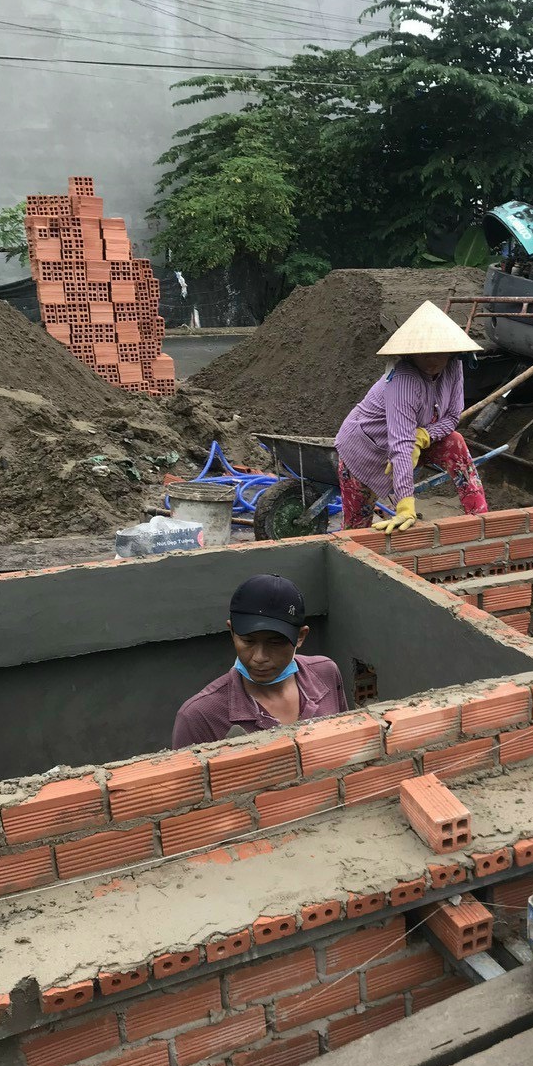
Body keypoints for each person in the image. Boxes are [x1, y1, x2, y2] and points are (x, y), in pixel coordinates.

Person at [335, 300, 489, 533]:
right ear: (411, 353)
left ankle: (481, 518)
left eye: (438, 353)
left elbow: (452, 417)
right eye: (423, 354)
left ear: (451, 351)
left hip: (409, 442)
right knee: (357, 529)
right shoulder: (404, 380)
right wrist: (405, 506)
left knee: (454, 441)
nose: (431, 360)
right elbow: (401, 445)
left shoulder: (453, 367)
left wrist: (424, 436)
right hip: (365, 449)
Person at [172, 575, 347, 747]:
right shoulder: (199, 718)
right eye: (248, 641)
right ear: (232, 632)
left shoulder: (326, 674)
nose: (259, 657)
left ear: (300, 636)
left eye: (275, 642)